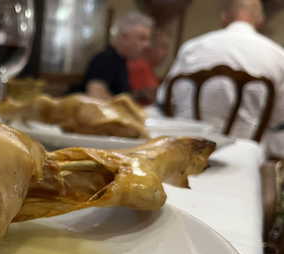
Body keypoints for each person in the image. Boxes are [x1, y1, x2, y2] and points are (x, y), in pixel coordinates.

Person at [159, 0, 284, 146]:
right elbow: (279, 119)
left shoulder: (191, 48)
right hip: (243, 150)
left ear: (223, 17)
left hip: (185, 146)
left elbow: (164, 101)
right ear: (260, 20)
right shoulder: (278, 55)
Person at [69, 12, 153, 100]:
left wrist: (139, 94)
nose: (147, 45)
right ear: (124, 37)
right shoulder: (105, 59)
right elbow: (96, 97)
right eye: (142, 38)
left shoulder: (120, 61)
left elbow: (118, 94)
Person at [128, 31, 171, 105]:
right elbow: (152, 97)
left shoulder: (147, 67)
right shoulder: (140, 67)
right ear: (149, 47)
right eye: (163, 47)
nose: (166, 53)